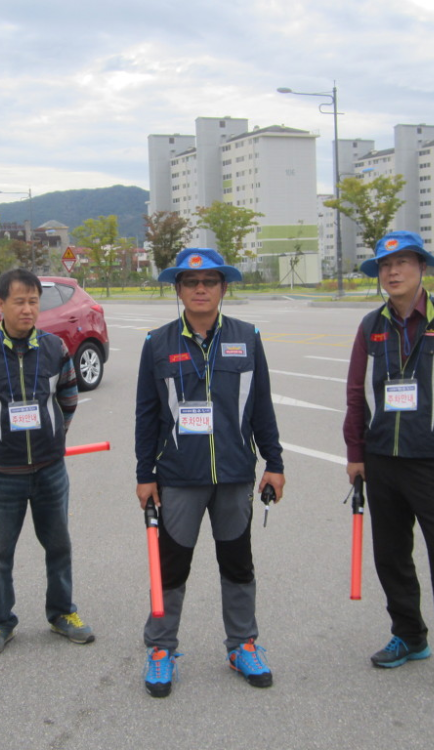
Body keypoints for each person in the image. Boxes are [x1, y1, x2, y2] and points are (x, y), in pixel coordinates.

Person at [343, 231, 434, 699]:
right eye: (386, 266)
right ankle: (409, 635)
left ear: (422, 268)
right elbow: (355, 395)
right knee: (391, 557)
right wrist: (355, 455)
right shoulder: (371, 327)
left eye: (403, 262)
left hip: (433, 464)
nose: (393, 272)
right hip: (382, 460)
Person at [134, 248, 285, 698]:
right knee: (171, 564)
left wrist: (274, 463)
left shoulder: (247, 337)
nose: (201, 289)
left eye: (211, 281)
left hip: (236, 474)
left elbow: (261, 406)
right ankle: (161, 649)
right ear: (178, 289)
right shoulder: (157, 343)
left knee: (238, 564)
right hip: (178, 475)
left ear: (223, 288)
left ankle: (242, 644)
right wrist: (145, 474)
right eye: (191, 282)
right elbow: (146, 415)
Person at [0, 268, 93, 657]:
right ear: (0, 305)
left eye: (34, 301)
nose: (28, 309)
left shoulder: (54, 348)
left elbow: (68, 397)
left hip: (50, 469)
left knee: (59, 545)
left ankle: (62, 612)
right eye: (19, 301)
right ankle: (0, 622)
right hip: (3, 474)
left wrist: (54, 436)